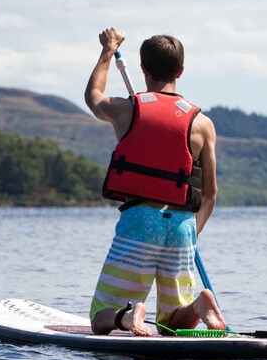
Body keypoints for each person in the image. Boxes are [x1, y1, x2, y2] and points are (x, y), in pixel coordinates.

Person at [84, 27, 226, 336]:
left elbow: (93, 97)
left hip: (140, 222)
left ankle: (127, 316)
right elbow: (211, 195)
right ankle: (199, 305)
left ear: (143, 69)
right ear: (181, 70)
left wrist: (108, 50)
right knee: (171, 324)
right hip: (182, 226)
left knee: (99, 318)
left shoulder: (128, 109)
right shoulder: (202, 124)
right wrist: (192, 233)